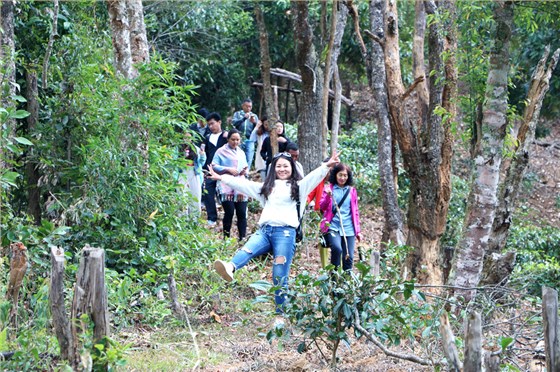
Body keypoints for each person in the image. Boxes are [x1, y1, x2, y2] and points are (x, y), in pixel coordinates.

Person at [209, 151, 341, 317]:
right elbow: (244, 185)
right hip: (265, 231)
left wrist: (326, 166)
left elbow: (313, 177)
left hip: (285, 234)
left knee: (279, 276)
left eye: (285, 166)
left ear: (292, 168)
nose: (282, 169)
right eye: (278, 166)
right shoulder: (266, 188)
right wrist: (222, 178)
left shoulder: (299, 187)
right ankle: (231, 267)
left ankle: (281, 314)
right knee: (247, 249)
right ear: (273, 169)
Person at [319, 163, 362, 271]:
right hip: (333, 226)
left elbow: (355, 211)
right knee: (337, 249)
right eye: (340, 175)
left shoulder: (352, 191)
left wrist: (358, 231)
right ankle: (334, 279)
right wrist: (328, 197)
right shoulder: (329, 188)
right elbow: (322, 206)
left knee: (349, 256)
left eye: (345, 175)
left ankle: (346, 282)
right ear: (335, 175)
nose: (342, 178)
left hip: (348, 227)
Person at [211, 129, 249, 239]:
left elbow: (246, 166)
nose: (235, 142)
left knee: (242, 213)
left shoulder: (241, 152)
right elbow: (214, 166)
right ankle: (226, 237)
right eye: (233, 139)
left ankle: (242, 237)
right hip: (226, 185)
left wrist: (244, 171)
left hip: (240, 185)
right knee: (229, 212)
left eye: (237, 140)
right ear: (228, 139)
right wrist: (228, 169)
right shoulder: (220, 151)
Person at [203, 112, 229, 227]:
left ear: (219, 122)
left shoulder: (226, 136)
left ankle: (228, 215)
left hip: (223, 169)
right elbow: (206, 153)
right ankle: (212, 217)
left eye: (212, 123)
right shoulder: (207, 137)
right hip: (210, 169)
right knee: (208, 192)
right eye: (209, 124)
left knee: (225, 194)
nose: (211, 126)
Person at [231, 98, 258, 169]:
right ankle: (238, 171)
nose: (249, 108)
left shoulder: (254, 116)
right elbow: (234, 123)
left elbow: (258, 129)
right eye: (247, 106)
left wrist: (254, 122)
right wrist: (243, 118)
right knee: (238, 156)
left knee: (249, 157)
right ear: (243, 106)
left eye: (250, 106)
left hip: (250, 139)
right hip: (239, 139)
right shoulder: (237, 114)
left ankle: (246, 173)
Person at [250, 116, 270, 181]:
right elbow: (252, 139)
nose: (267, 126)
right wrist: (256, 127)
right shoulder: (260, 133)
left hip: (271, 159)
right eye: (265, 125)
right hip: (262, 159)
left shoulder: (274, 134)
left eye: (269, 124)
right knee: (264, 179)